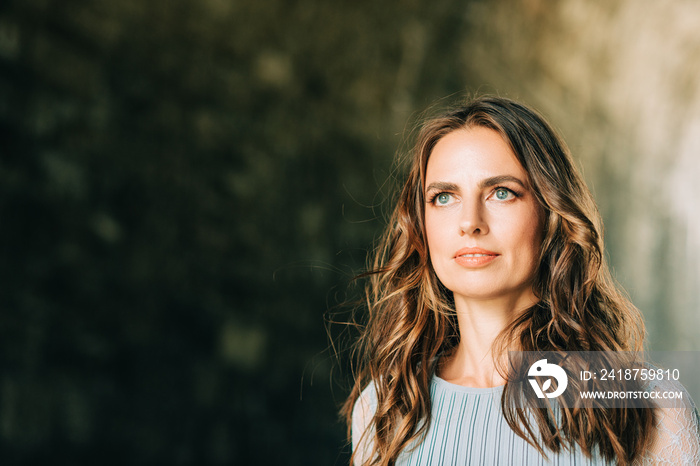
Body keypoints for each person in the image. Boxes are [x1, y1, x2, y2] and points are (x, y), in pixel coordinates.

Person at [342, 96, 700, 465]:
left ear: (550, 213)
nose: (470, 222)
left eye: (501, 193)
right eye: (444, 197)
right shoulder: (384, 409)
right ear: (422, 223)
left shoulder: (648, 406)